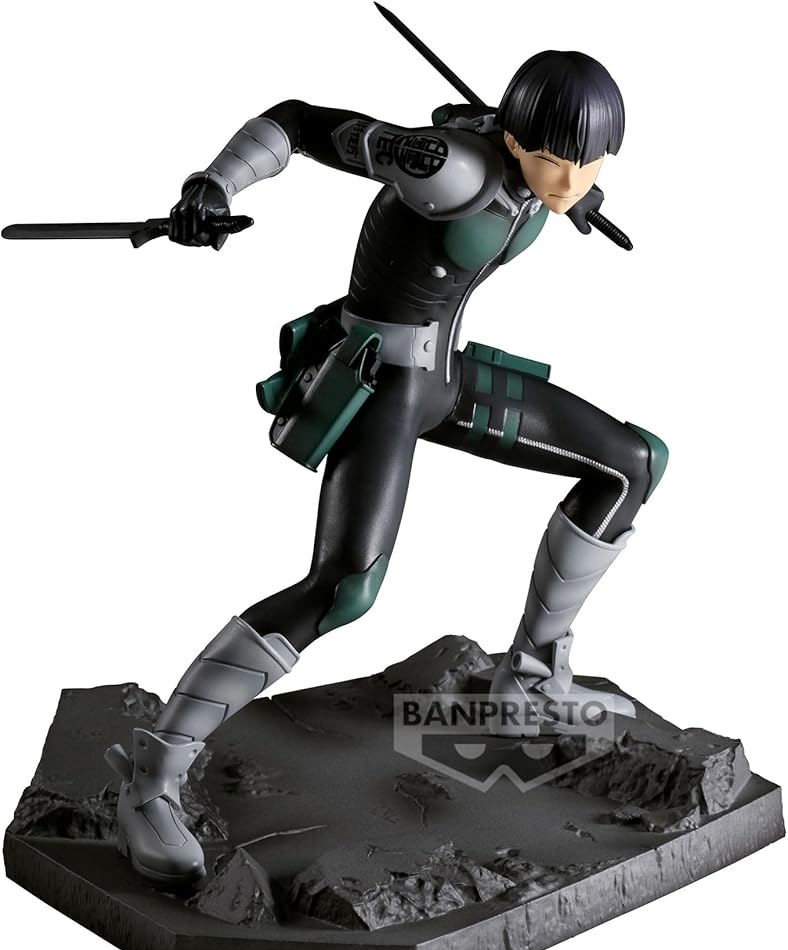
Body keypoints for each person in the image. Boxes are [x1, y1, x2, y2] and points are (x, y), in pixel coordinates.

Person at [105, 50, 668, 883]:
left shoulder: (542, 172)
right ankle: (152, 778)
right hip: (380, 383)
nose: (572, 178)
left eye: (591, 163)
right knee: (344, 588)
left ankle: (529, 680)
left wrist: (569, 190)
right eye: (555, 159)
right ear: (515, 140)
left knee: (631, 464)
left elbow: (555, 174)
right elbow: (299, 122)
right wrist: (213, 187)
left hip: (446, 377)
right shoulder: (443, 167)